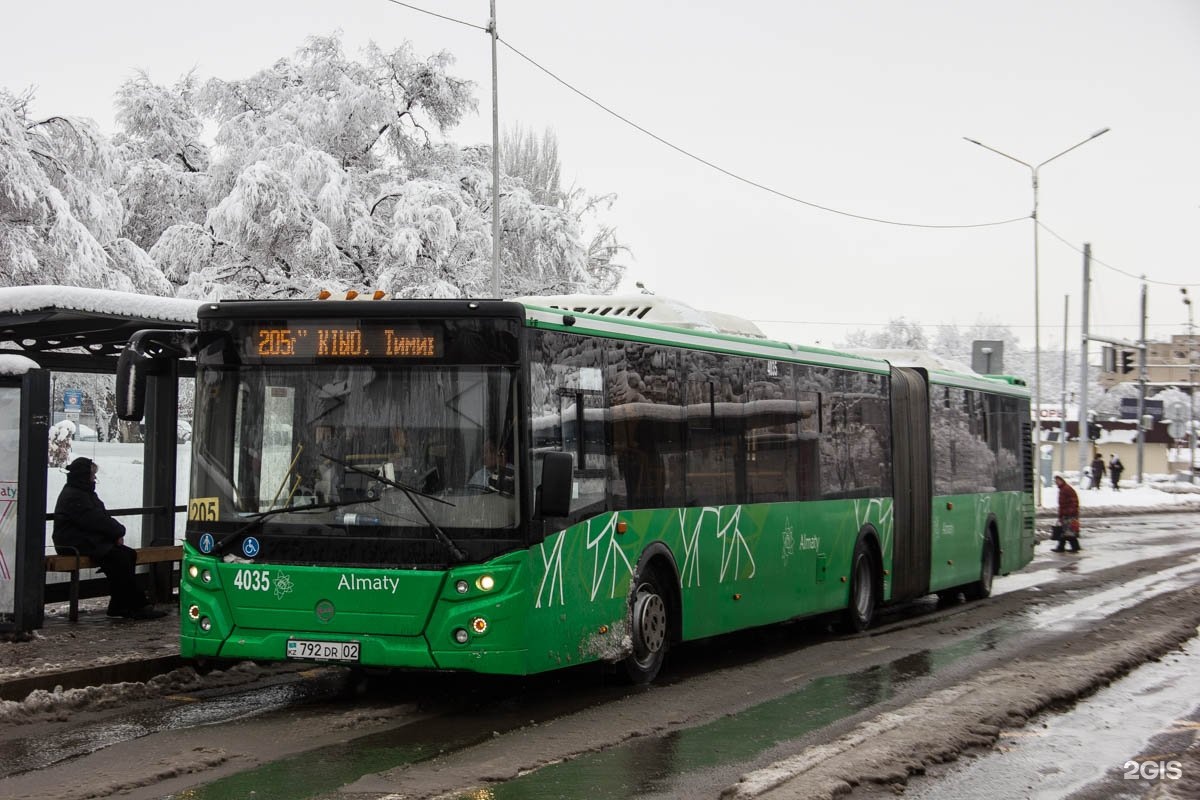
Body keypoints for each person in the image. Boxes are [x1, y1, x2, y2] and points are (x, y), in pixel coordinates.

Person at [52, 457, 166, 620]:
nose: (94, 478)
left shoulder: (83, 492)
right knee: (119, 558)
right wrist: (117, 533)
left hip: (86, 540)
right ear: (84, 476)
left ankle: (120, 605)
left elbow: (98, 519)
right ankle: (135, 605)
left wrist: (115, 535)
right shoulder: (76, 495)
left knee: (128, 555)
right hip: (73, 542)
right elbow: (95, 520)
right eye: (92, 475)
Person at [1052, 472, 1081, 553]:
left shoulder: (1066, 489)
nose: (1057, 482)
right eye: (1056, 481)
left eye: (1058, 480)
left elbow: (1074, 502)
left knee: (1067, 532)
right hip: (1066, 513)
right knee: (1066, 532)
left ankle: (1065, 547)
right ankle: (1070, 547)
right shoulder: (1063, 489)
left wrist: (1069, 512)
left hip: (1069, 514)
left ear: (1062, 480)